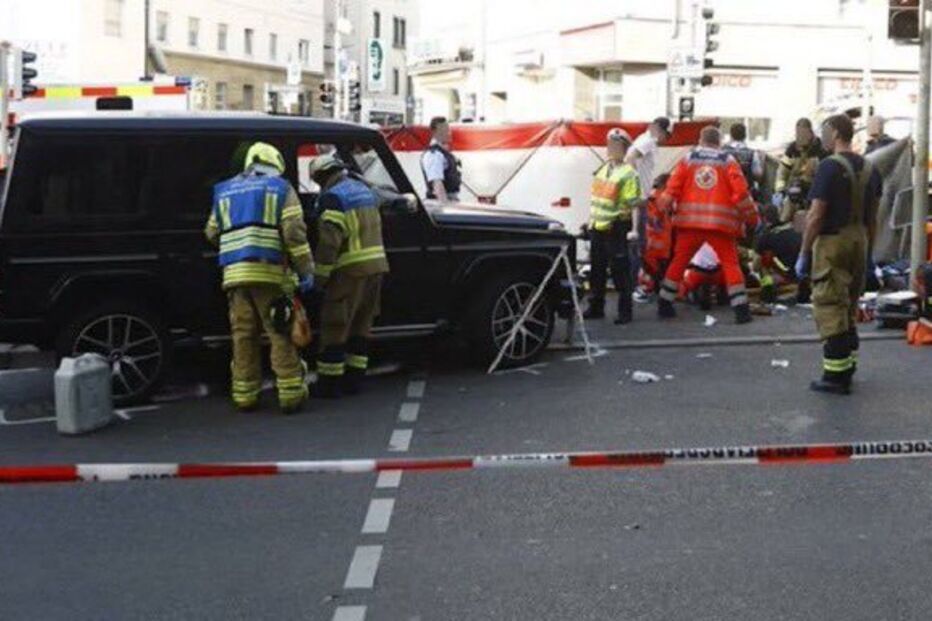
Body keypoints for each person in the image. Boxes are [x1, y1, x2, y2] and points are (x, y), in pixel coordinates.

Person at [204, 142, 314, 413]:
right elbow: (293, 233)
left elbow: (211, 232)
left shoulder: (225, 190)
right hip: (269, 273)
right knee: (279, 332)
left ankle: (245, 396)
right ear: (274, 164)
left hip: (234, 276)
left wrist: (237, 247)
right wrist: (306, 270)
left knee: (243, 335)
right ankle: (290, 394)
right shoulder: (280, 188)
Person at [796, 114, 882, 395]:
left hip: (832, 242)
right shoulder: (871, 169)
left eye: (824, 131)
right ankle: (848, 367)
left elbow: (816, 215)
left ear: (834, 134)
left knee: (830, 304)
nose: (821, 136)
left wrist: (805, 252)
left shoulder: (828, 168)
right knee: (849, 305)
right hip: (859, 239)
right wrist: (869, 253)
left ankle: (835, 377)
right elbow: (873, 218)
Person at [657, 126, 759, 324]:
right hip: (720, 225)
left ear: (700, 140)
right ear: (719, 141)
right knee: (730, 263)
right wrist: (752, 218)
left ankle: (664, 303)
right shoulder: (728, 161)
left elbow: (672, 189)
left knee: (679, 262)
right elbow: (741, 194)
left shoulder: (688, 159)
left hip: (689, 223)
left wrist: (661, 210)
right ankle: (741, 310)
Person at [308, 154, 390, 398]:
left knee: (335, 326)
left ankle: (329, 384)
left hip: (349, 273)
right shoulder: (365, 191)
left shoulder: (333, 199)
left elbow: (329, 245)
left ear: (321, 177)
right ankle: (354, 380)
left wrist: (318, 282)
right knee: (361, 326)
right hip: (376, 269)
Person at [584, 128, 642, 324]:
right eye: (610, 145)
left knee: (620, 272)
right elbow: (596, 198)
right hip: (598, 227)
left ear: (624, 149)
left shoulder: (628, 173)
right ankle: (596, 307)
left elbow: (634, 204)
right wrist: (590, 221)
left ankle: (625, 312)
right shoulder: (603, 168)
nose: (611, 149)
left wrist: (634, 230)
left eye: (616, 145)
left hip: (617, 228)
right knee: (597, 270)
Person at [774, 118, 831, 224]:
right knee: (785, 215)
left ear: (810, 132)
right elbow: (782, 172)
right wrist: (780, 190)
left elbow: (825, 174)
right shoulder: (792, 149)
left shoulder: (820, 148)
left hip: (813, 192)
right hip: (793, 192)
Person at [638, 173, 673, 297]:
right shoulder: (659, 199)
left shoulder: (651, 199)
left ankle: (654, 290)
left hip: (653, 244)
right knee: (660, 274)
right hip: (658, 245)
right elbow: (656, 221)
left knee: (656, 274)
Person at [626, 116, 672, 195]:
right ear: (662, 131)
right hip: (638, 194)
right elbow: (631, 158)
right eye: (667, 136)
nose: (666, 140)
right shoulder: (648, 141)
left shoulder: (645, 139)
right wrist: (635, 185)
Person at [421, 116, 462, 202]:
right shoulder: (434, 155)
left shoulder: (443, 153)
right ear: (435, 132)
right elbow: (437, 184)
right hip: (441, 202)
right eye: (445, 130)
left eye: (448, 129)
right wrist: (446, 207)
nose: (449, 133)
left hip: (451, 199)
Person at [723, 123, 764, 200]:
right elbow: (758, 174)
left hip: (726, 192)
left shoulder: (722, 152)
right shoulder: (752, 153)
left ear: (731, 136)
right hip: (745, 194)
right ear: (745, 136)